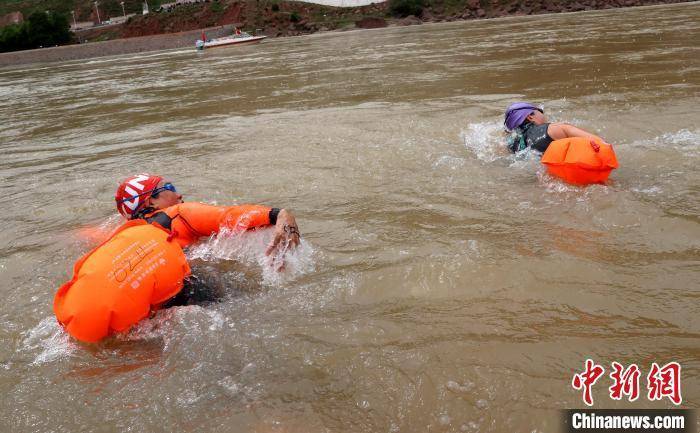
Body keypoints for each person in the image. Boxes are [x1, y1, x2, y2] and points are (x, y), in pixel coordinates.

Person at [114, 173, 301, 305]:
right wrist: (281, 215)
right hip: (199, 289)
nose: (179, 194)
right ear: (150, 202)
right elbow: (230, 216)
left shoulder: (121, 237)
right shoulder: (180, 214)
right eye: (170, 188)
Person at [503, 102, 603, 153]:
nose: (544, 115)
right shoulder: (554, 129)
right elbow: (601, 143)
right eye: (540, 111)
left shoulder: (513, 145)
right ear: (530, 116)